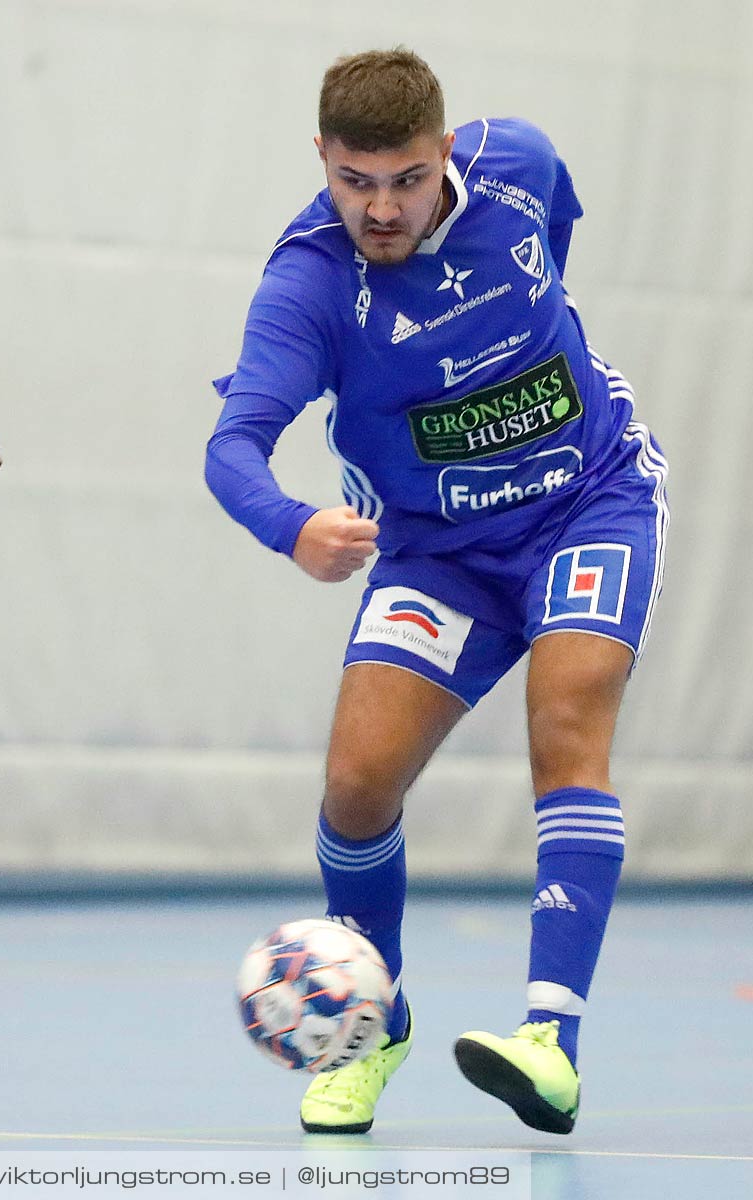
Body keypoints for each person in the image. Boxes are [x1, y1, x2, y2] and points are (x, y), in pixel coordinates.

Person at [205, 48, 666, 1136]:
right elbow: (233, 447)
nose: (379, 207)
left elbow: (554, 244)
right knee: (356, 788)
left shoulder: (521, 166)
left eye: (404, 179)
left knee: (565, 722)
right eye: (353, 180)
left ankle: (548, 1043)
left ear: (446, 151)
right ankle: (375, 1022)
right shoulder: (309, 284)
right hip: (438, 553)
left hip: (585, 501)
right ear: (320, 158)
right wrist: (293, 527)